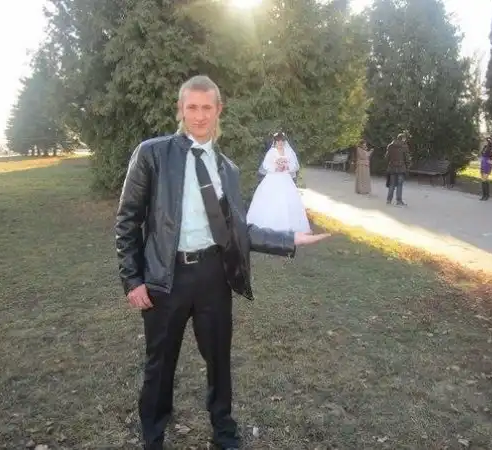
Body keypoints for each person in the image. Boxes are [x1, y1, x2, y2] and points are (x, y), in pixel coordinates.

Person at [114, 75, 330, 450]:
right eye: (192, 107)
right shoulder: (153, 154)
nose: (199, 116)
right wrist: (133, 280)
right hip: (166, 278)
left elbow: (237, 231)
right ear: (181, 110)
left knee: (219, 359)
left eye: (207, 108)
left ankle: (224, 430)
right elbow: (127, 220)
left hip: (214, 276)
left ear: (218, 111)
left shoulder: (227, 169)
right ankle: (153, 435)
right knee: (160, 363)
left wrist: (289, 239)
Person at [246, 132, 310, 233]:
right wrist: (276, 168)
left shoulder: (288, 152)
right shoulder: (271, 152)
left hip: (285, 178)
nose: (280, 143)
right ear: (275, 142)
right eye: (278, 141)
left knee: (287, 199)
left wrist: (287, 167)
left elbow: (294, 165)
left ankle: (288, 226)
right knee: (271, 200)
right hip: (272, 178)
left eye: (282, 141)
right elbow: (266, 165)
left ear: (284, 141)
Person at [384, 132, 411, 206]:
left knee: (392, 184)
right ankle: (399, 201)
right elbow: (407, 158)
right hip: (401, 168)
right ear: (403, 139)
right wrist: (408, 165)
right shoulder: (404, 146)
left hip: (392, 167)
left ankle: (389, 200)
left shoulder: (390, 146)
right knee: (399, 185)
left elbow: (386, 158)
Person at [479, 137, 492, 201]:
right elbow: (482, 155)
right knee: (483, 179)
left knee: (484, 179)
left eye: (485, 141)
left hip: (487, 163)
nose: (484, 142)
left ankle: (485, 196)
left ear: (488, 142)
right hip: (483, 163)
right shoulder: (484, 147)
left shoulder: (491, 148)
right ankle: (485, 195)